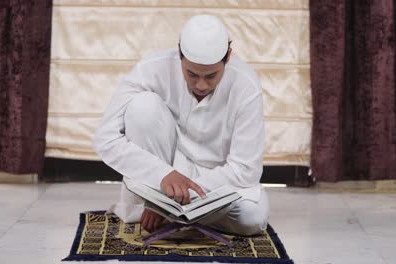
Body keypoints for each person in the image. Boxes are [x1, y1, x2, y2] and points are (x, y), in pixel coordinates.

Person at [93, 14, 269, 236]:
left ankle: (167, 211)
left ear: (228, 57)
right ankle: (165, 208)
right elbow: (106, 139)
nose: (201, 85)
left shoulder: (247, 85)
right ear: (180, 55)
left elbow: (245, 169)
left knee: (252, 218)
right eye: (192, 74)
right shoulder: (151, 68)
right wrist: (161, 176)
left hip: (218, 182)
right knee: (142, 107)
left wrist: (175, 192)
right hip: (164, 171)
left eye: (211, 76)